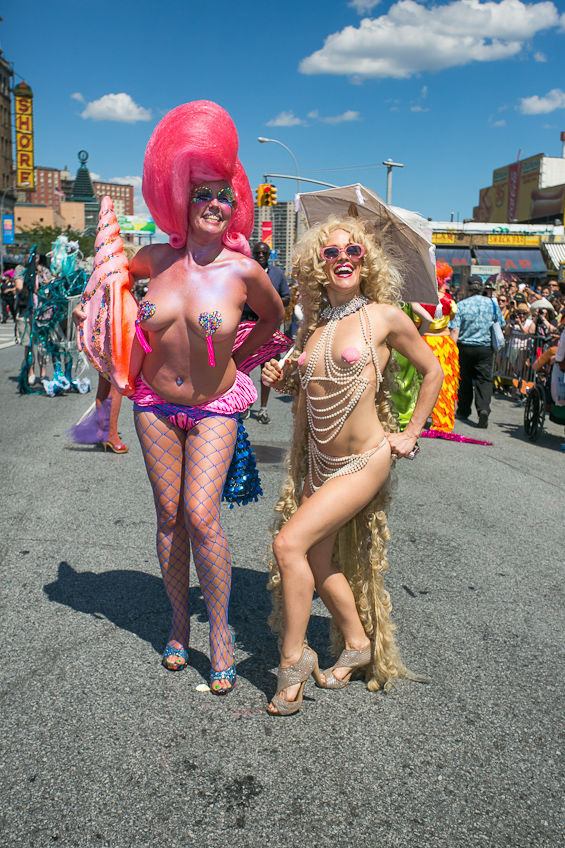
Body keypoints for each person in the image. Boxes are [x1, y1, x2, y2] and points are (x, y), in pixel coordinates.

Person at [74, 101, 284, 693]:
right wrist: (109, 323)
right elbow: (113, 287)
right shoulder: (155, 260)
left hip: (214, 407)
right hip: (154, 405)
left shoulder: (245, 272)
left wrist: (242, 360)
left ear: (235, 204)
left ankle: (217, 631)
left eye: (224, 195)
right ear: (181, 199)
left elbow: (275, 316)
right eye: (203, 194)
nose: (215, 204)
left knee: (200, 515)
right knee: (169, 518)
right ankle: (176, 623)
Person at [261, 216, 443, 715]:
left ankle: (293, 661)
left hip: (364, 461)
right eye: (331, 253)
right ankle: (358, 642)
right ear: (319, 266)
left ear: (367, 263)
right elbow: (307, 391)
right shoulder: (314, 328)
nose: (343, 259)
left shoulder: (385, 318)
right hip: (320, 464)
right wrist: (282, 378)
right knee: (318, 560)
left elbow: (433, 369)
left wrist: (410, 433)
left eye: (353, 252)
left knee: (288, 544)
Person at [241, 241, 290, 423]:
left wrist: (272, 301)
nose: (261, 255)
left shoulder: (277, 274)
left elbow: (287, 298)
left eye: (264, 253)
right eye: (257, 253)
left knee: (268, 369)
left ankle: (263, 408)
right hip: (248, 325)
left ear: (269, 255)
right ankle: (244, 404)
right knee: (243, 368)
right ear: (253, 254)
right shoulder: (246, 271)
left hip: (269, 327)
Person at [449, 276, 505, 428]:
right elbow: (501, 323)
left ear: (467, 288)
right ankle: (483, 409)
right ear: (481, 288)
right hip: (484, 348)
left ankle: (464, 409)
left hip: (465, 347)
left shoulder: (461, 305)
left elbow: (455, 329)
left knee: (464, 380)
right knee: (484, 380)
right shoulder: (492, 305)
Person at [415, 261, 459, 434]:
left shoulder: (419, 300)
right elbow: (452, 316)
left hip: (423, 342)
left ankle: (415, 418)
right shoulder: (449, 301)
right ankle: (442, 424)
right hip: (444, 343)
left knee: (418, 382)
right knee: (445, 382)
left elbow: (417, 320)